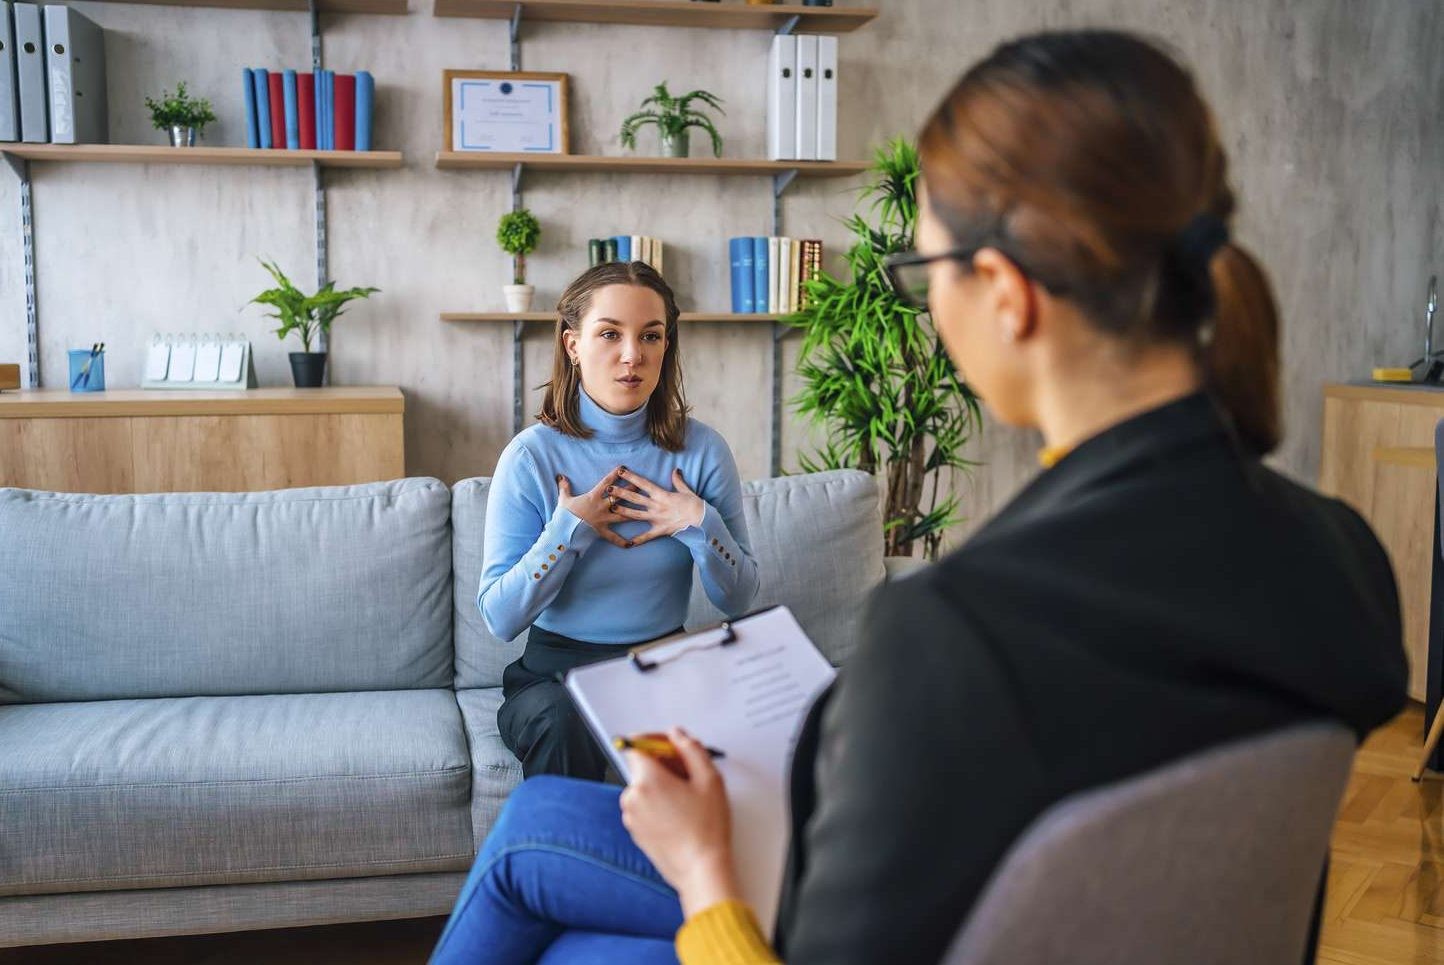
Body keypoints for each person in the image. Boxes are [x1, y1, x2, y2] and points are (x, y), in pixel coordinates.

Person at [433, 30, 1407, 965]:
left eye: (921, 272)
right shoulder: (1345, 559)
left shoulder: (949, 632)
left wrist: (703, 870)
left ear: (1003, 293)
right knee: (575, 946)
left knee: (531, 842)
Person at [478, 260, 760, 781]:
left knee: (747, 726)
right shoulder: (530, 457)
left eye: (651, 336)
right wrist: (568, 532)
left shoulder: (702, 451)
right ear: (572, 345)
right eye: (610, 334)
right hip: (553, 677)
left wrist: (699, 523)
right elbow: (500, 618)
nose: (632, 356)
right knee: (564, 724)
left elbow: (739, 598)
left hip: (663, 669)